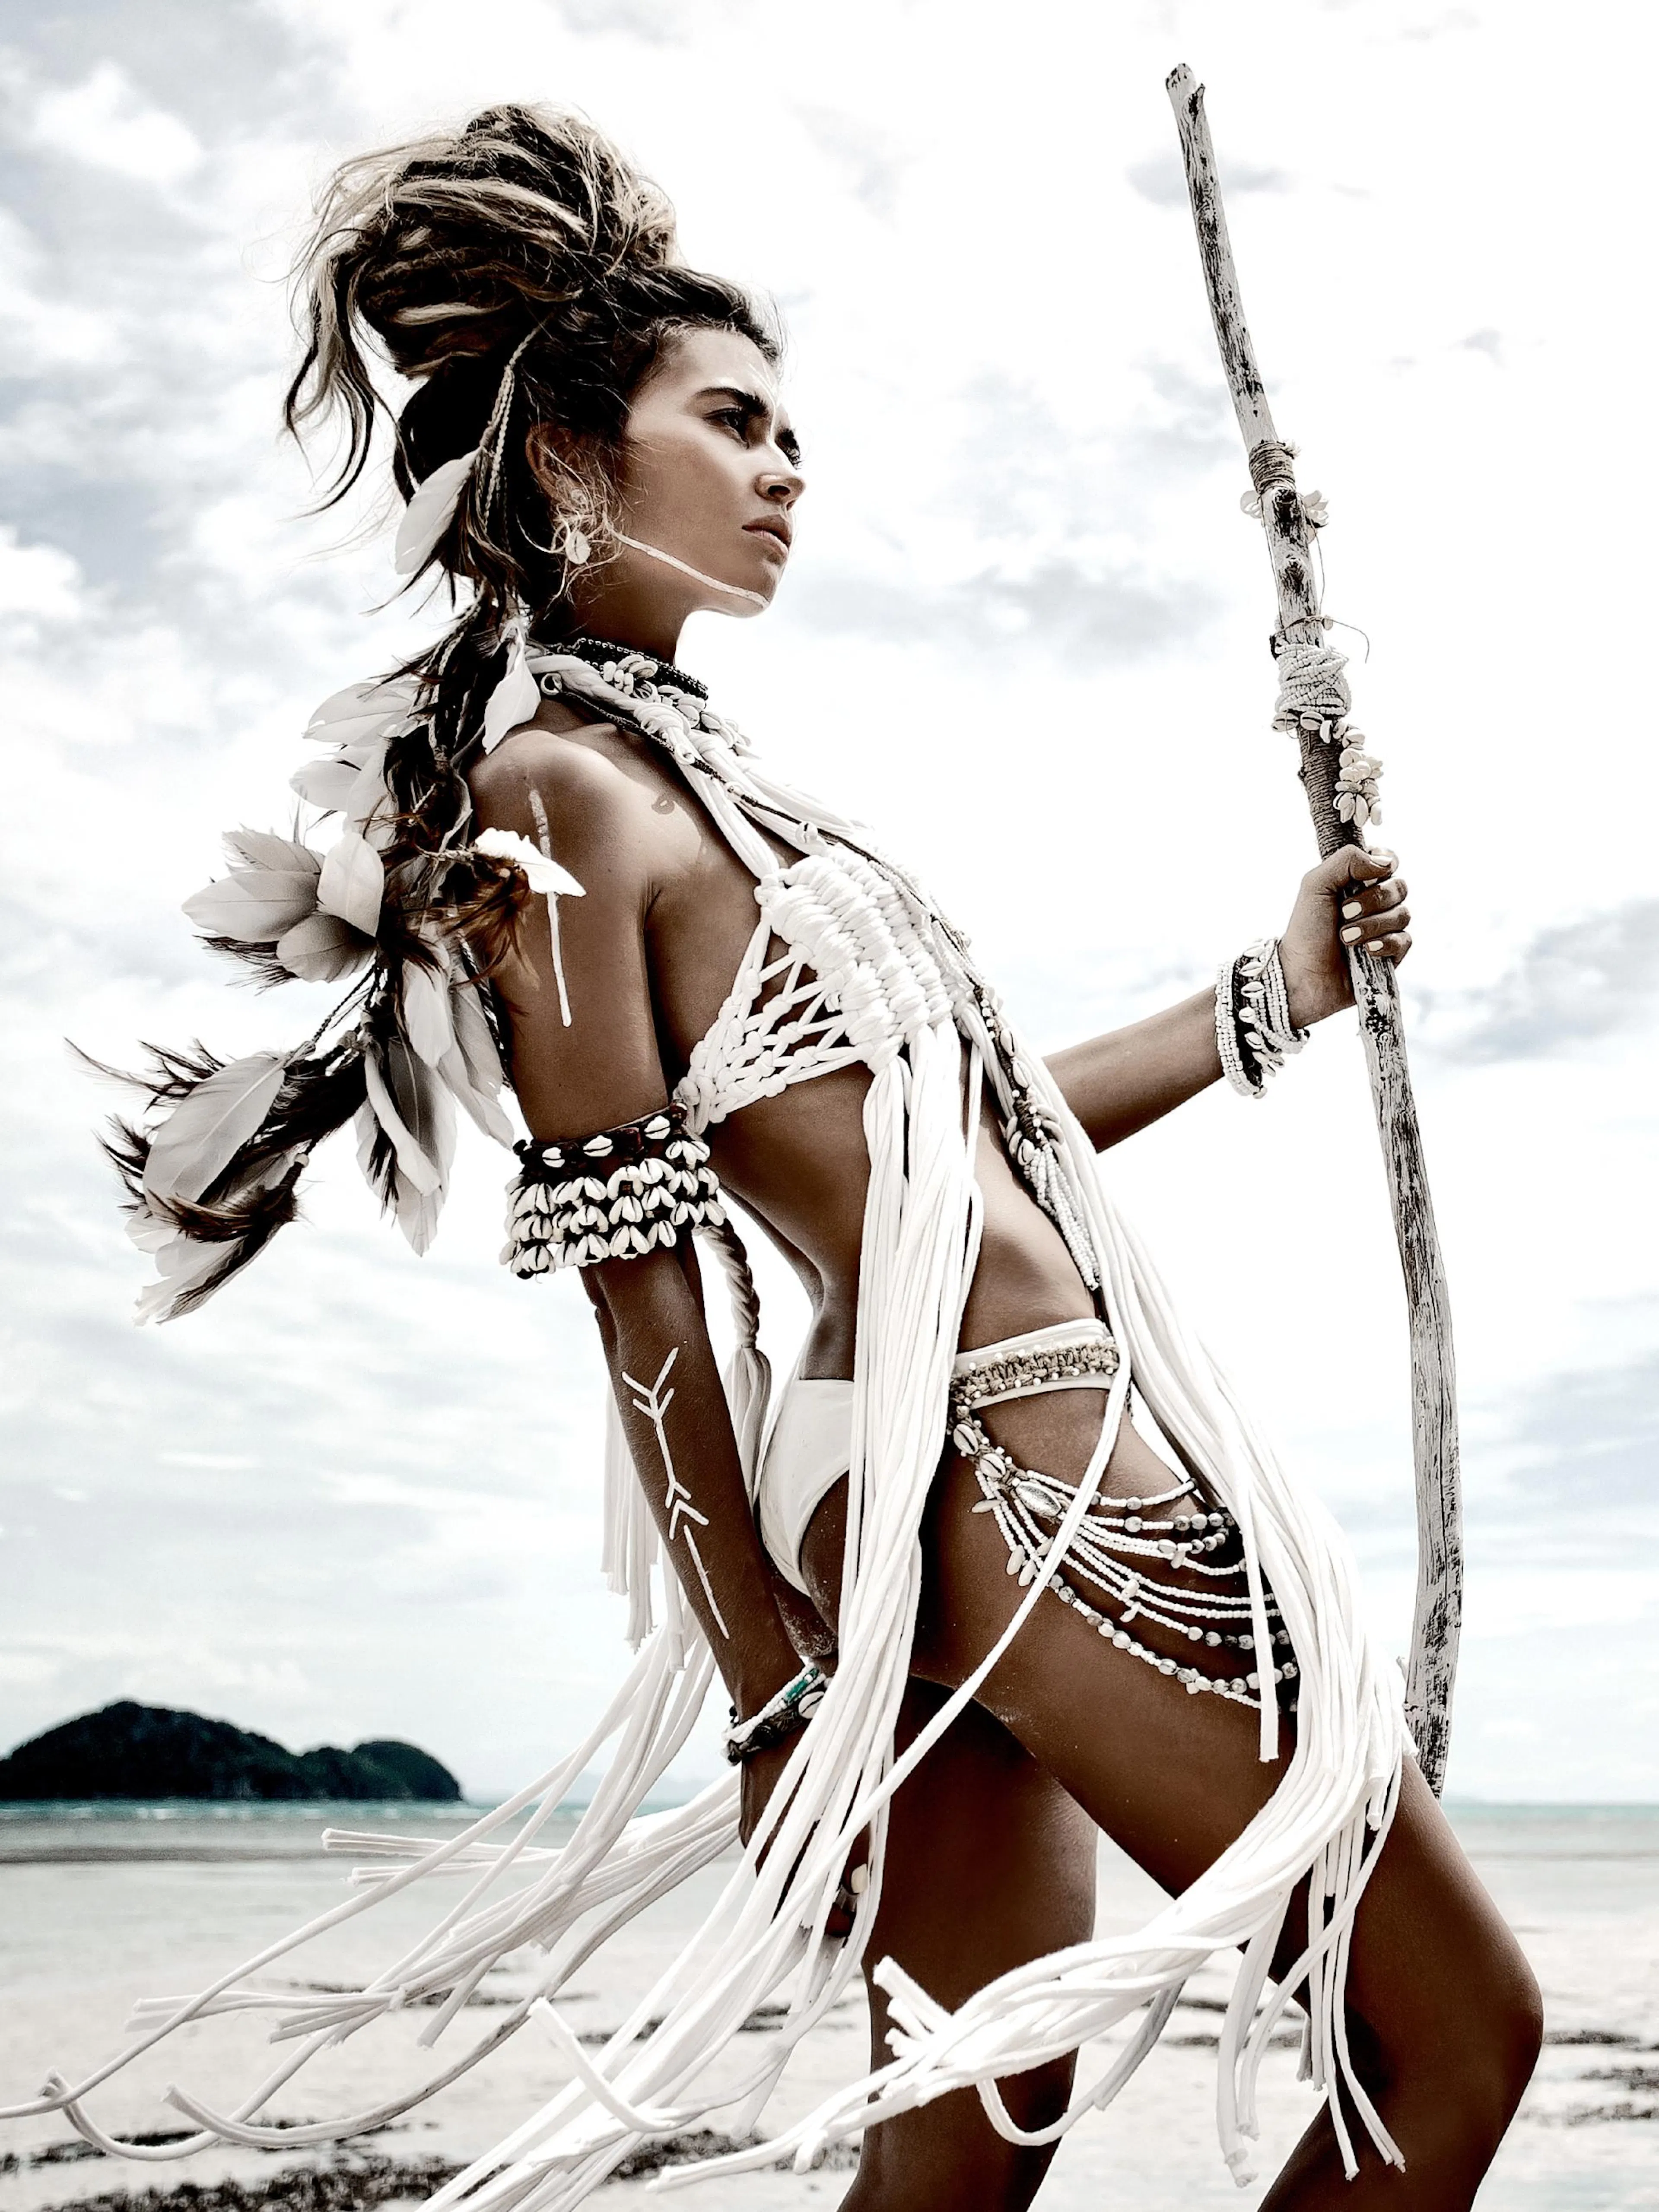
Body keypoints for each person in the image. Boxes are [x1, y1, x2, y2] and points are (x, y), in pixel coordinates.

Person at [12, 105, 1539, 2212]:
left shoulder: (700, 788)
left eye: (792, 427)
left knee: (973, 2133)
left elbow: (969, 1147)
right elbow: (645, 1289)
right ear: (567, 455)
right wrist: (769, 1705)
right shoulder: (552, 810)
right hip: (1009, 1470)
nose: (789, 466)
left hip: (972, 1468)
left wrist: (1271, 995)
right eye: (732, 419)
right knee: (1453, 2046)